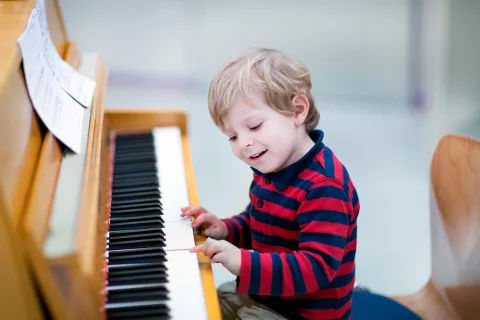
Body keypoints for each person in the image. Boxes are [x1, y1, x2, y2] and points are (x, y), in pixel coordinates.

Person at [181, 48, 360, 320]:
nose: (244, 143)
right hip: (272, 297)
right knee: (204, 304)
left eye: (254, 126)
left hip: (306, 314)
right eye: (232, 136)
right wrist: (226, 229)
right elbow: (261, 223)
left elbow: (316, 268)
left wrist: (243, 261)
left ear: (298, 110)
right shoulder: (272, 166)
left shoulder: (324, 187)